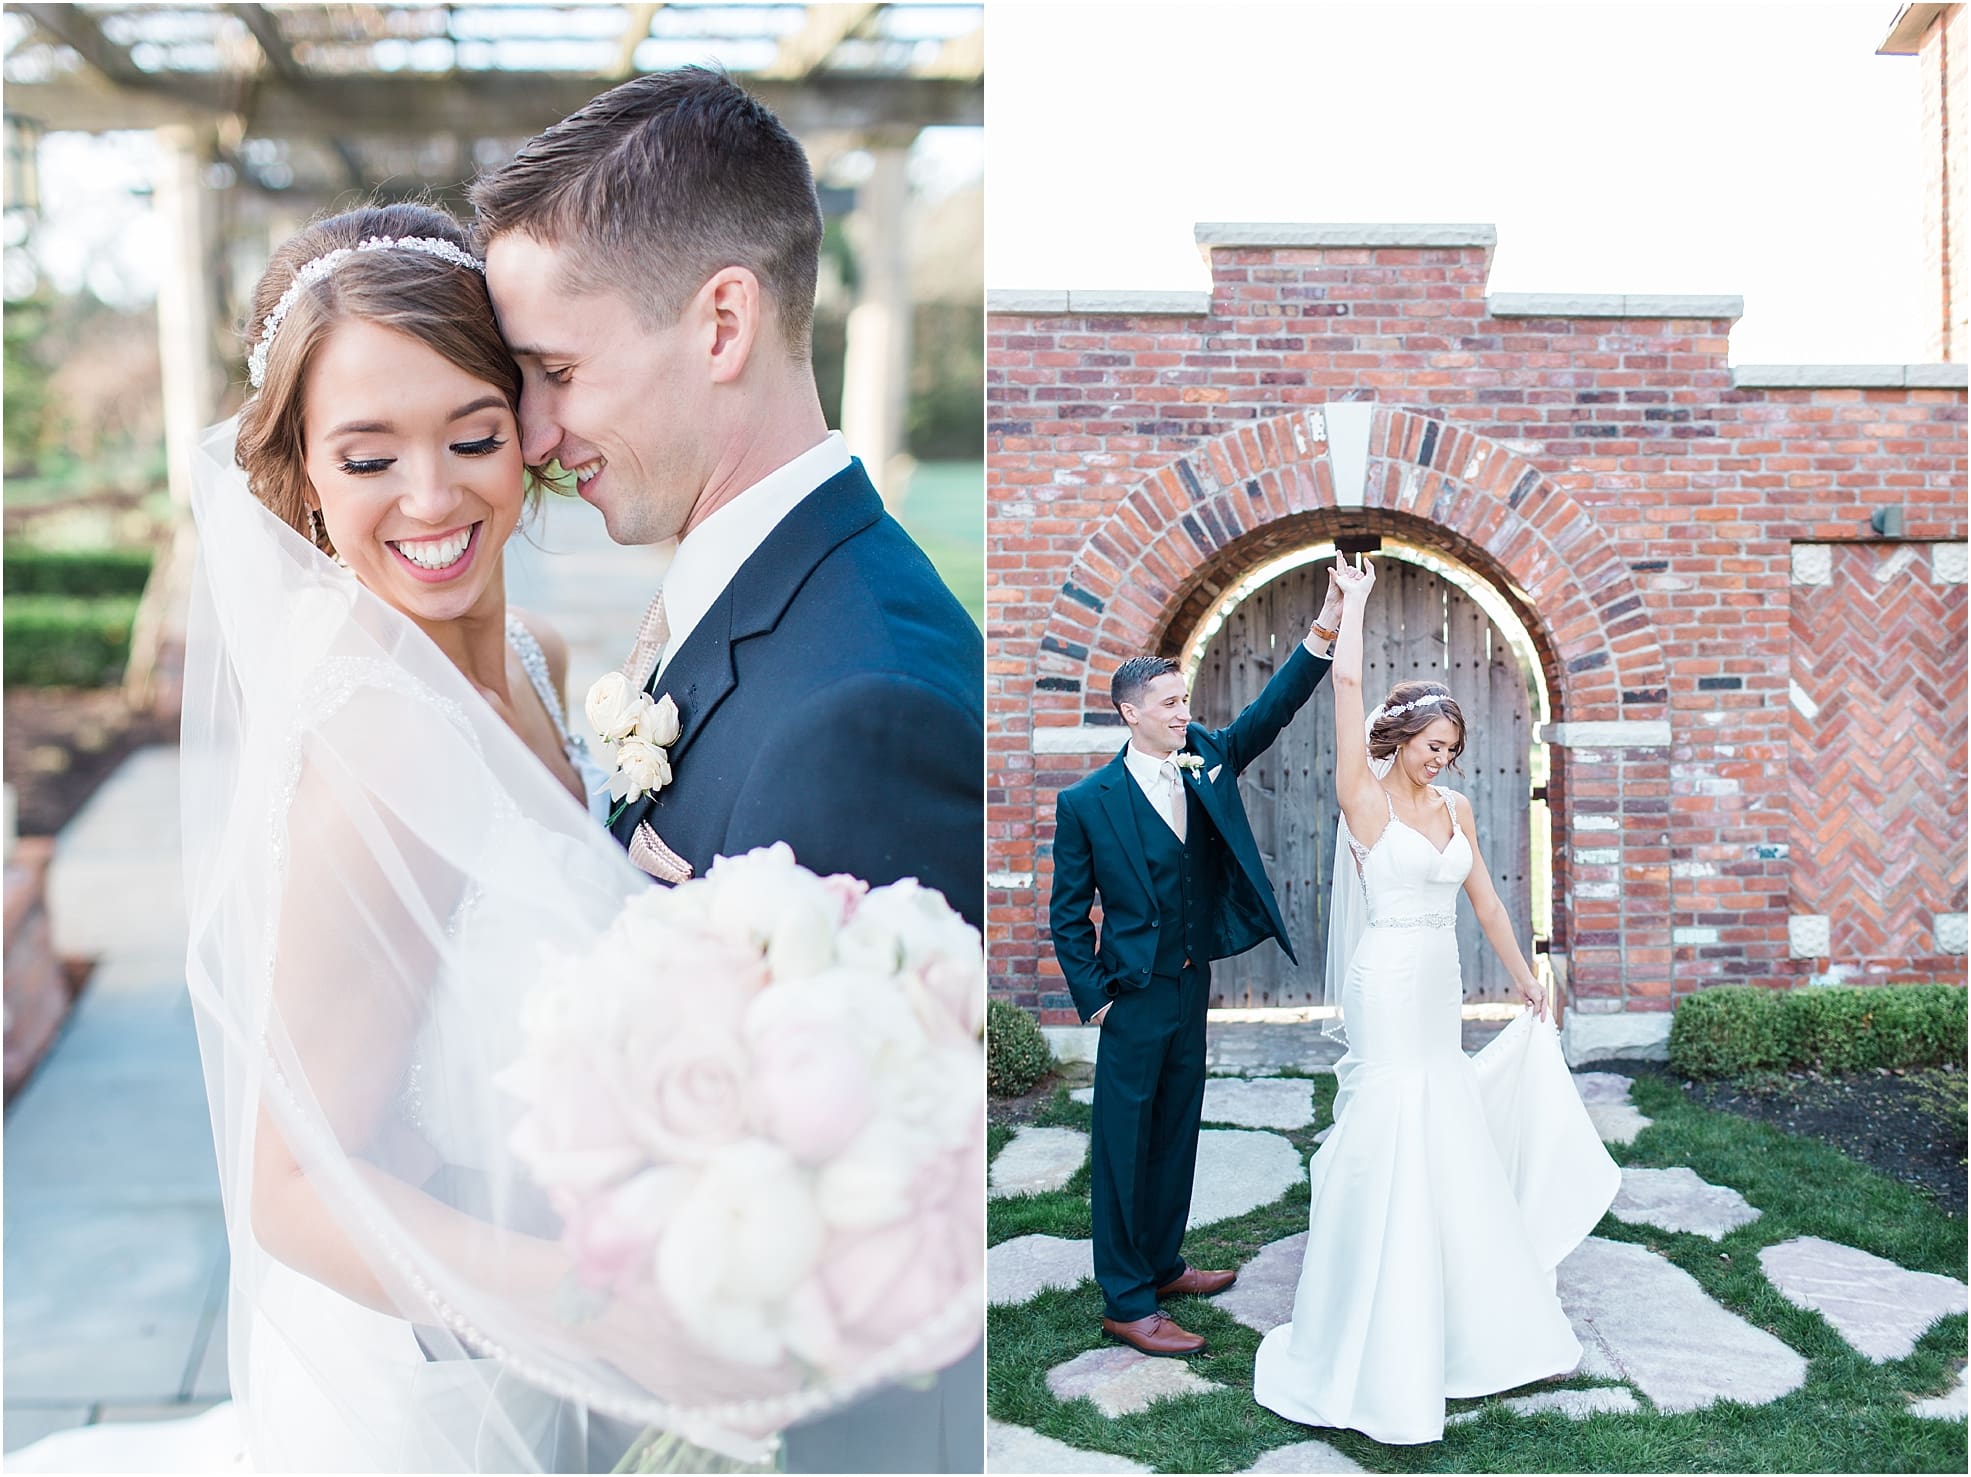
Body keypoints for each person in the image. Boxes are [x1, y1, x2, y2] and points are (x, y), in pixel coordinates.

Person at [466, 69, 985, 1472]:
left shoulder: (862, 706)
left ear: (719, 321)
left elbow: (870, 1287)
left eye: (558, 375)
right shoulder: (738, 597)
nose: (532, 437)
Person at [1252, 553, 1620, 1445]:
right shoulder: (1361, 800)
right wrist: (1354, 601)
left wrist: (1526, 978)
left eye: (1451, 750)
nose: (1441, 760)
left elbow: (1486, 900)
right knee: (1393, 1114)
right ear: (1397, 738)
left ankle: (1465, 1311)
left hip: (1440, 982)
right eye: (1430, 746)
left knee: (1444, 1111)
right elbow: (1343, 684)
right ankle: (1370, 1317)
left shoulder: (1454, 806)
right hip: (1386, 979)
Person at [1047, 574, 1343, 1357]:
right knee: (1121, 1142)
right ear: (1130, 713)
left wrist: (1325, 627)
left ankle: (1162, 1261)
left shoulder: (1207, 757)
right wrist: (1096, 1000)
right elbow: (1067, 913)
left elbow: (1270, 712)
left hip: (1190, 982)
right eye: (1171, 703)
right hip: (1131, 994)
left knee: (1176, 1127)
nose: (1186, 712)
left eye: (1184, 700)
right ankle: (1125, 1298)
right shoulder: (1086, 802)